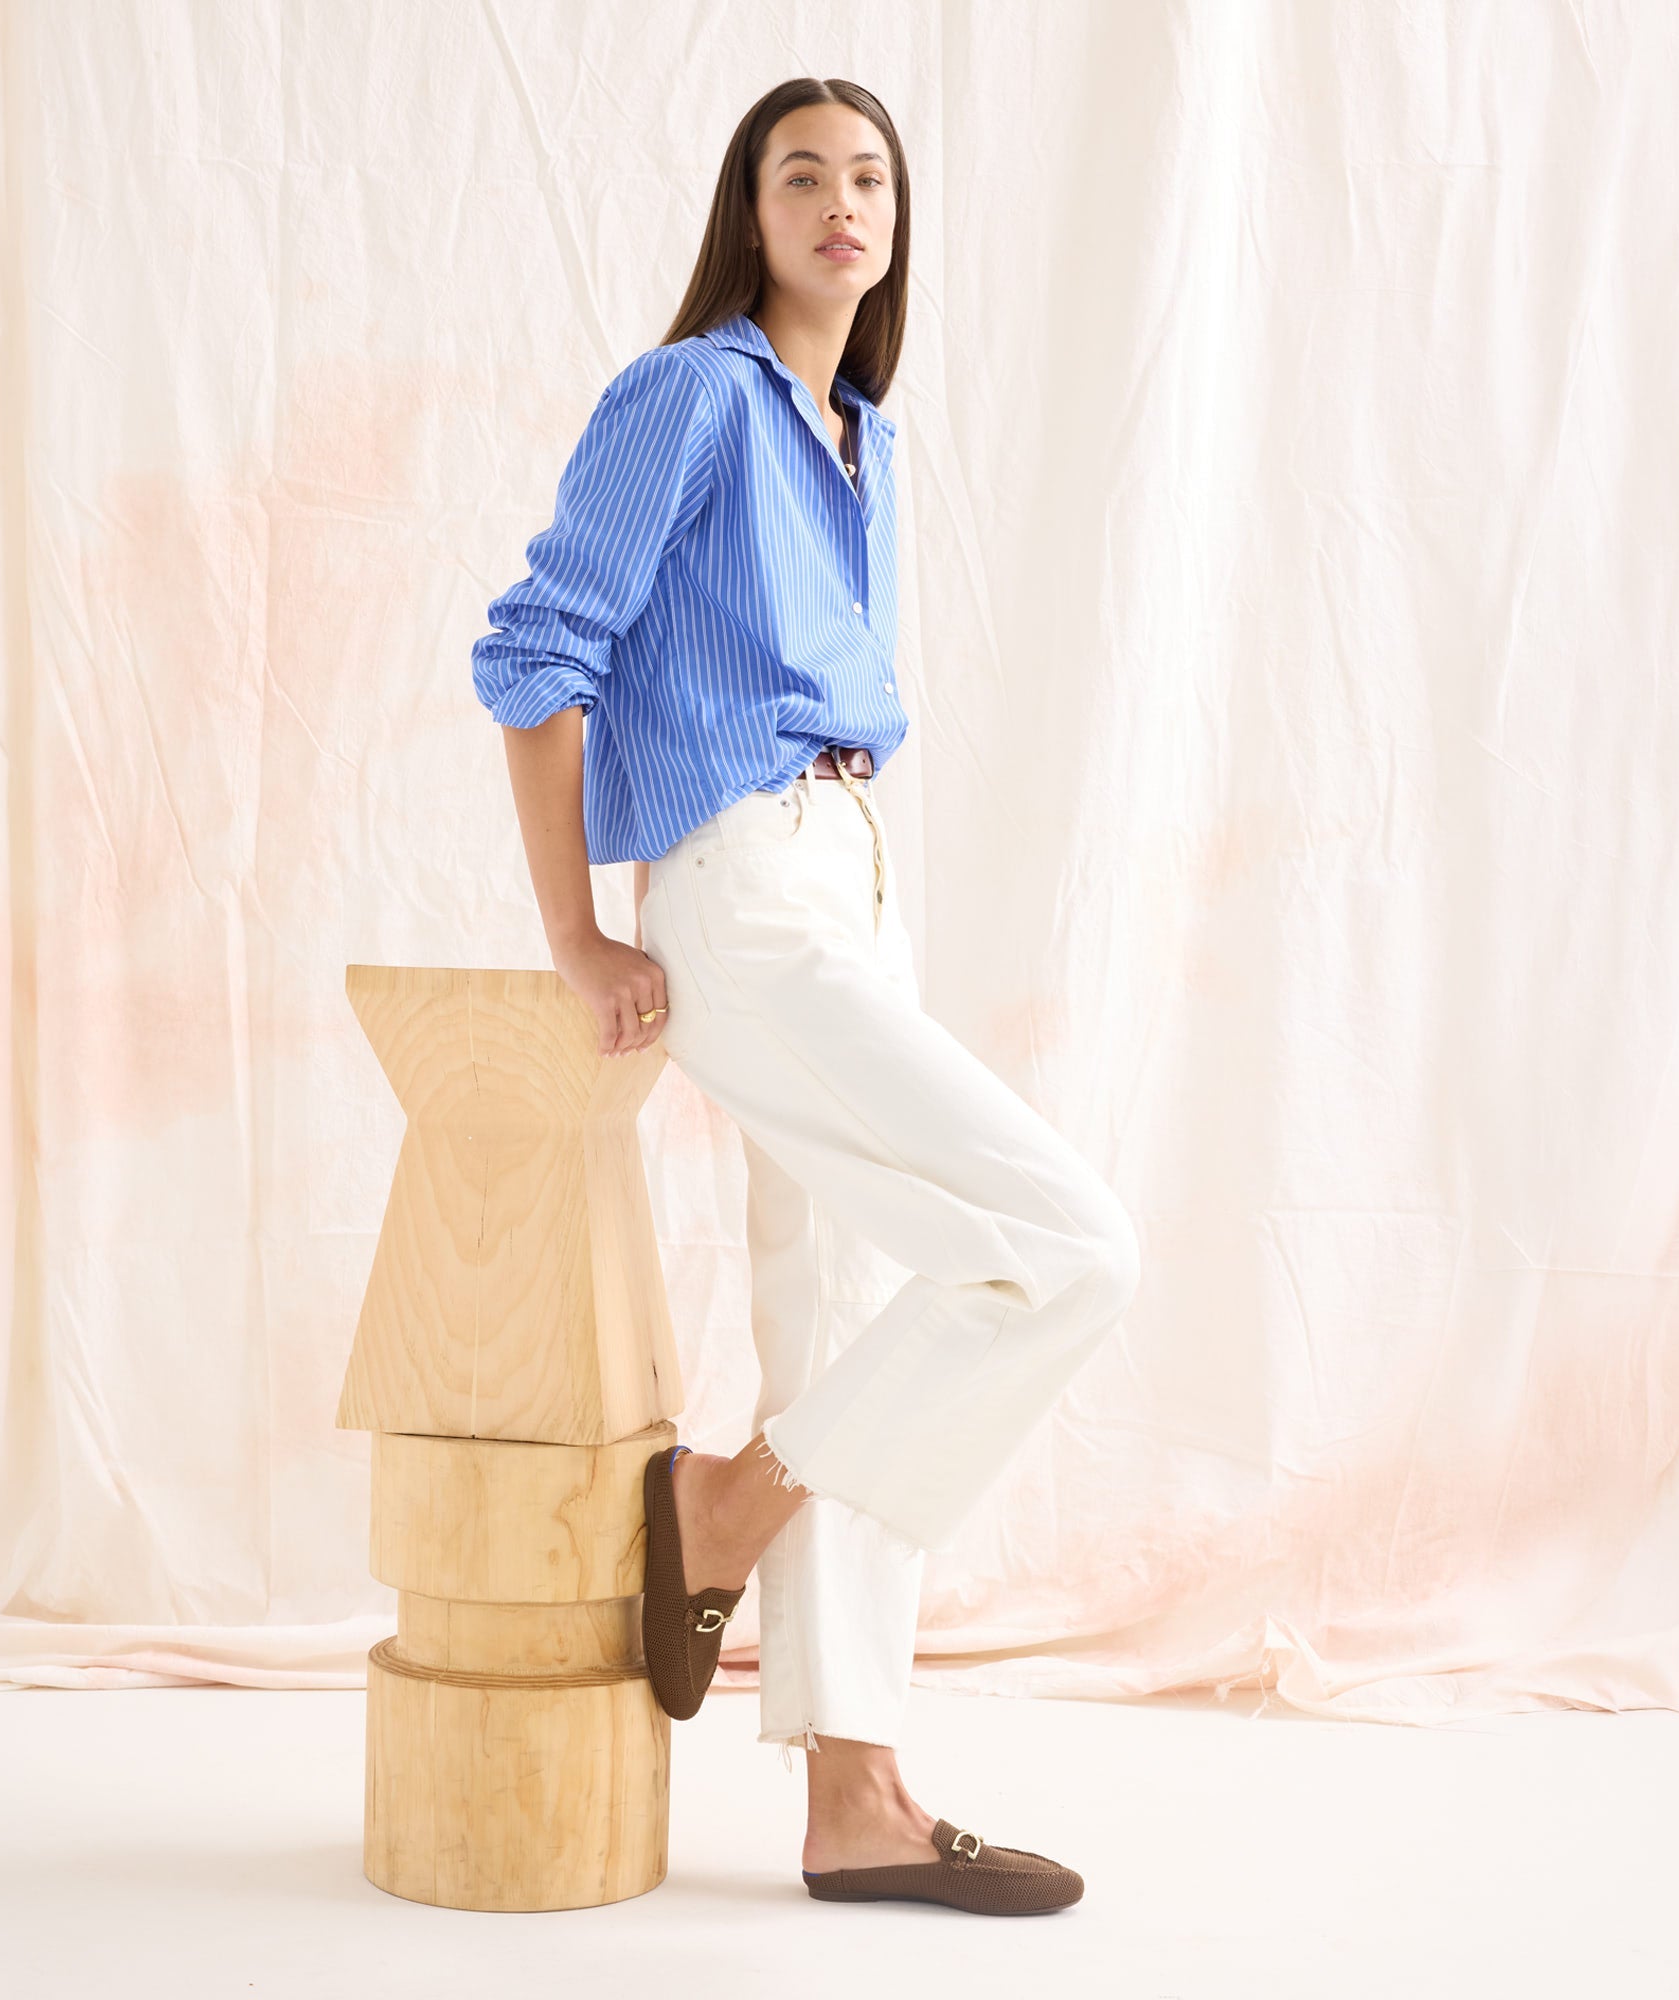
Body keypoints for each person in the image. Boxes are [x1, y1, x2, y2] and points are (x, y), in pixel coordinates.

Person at [470, 77, 1140, 1915]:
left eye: (871, 179)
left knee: (846, 1306)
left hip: (851, 873)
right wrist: (579, 935)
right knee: (1064, 1249)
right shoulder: (691, 393)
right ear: (749, 213)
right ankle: (725, 1506)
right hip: (743, 889)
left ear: (896, 223)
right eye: (802, 176)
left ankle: (856, 1796)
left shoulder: (866, 439)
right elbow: (536, 655)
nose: (844, 202)